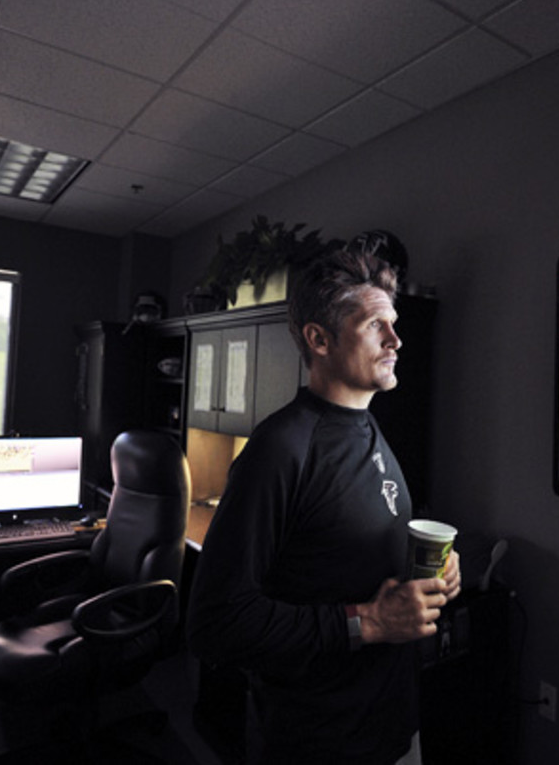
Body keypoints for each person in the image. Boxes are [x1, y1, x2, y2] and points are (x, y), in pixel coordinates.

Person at [186, 248, 461, 765]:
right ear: (319, 339)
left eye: (395, 323)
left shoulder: (371, 428)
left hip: (395, 729)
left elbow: (344, 552)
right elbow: (214, 624)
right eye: (375, 324)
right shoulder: (280, 448)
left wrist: (435, 573)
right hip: (320, 742)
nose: (396, 340)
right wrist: (369, 622)